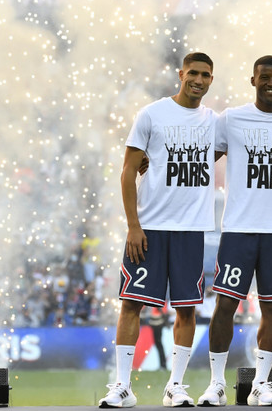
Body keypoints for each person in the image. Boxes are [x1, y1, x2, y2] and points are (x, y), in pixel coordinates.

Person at [99, 52, 217, 408]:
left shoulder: (215, 121)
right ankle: (122, 386)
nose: (198, 79)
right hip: (149, 228)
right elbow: (127, 171)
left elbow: (231, 144)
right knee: (131, 304)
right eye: (192, 73)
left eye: (205, 75)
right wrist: (133, 225)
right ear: (180, 74)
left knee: (186, 309)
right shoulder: (151, 114)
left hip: (191, 229)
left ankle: (175, 386)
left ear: (212, 80)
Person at [197, 55, 272, 407]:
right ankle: (217, 383)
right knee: (225, 306)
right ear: (253, 80)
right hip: (238, 230)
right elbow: (202, 157)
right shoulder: (231, 118)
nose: (271, 83)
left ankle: (261, 384)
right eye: (264, 77)